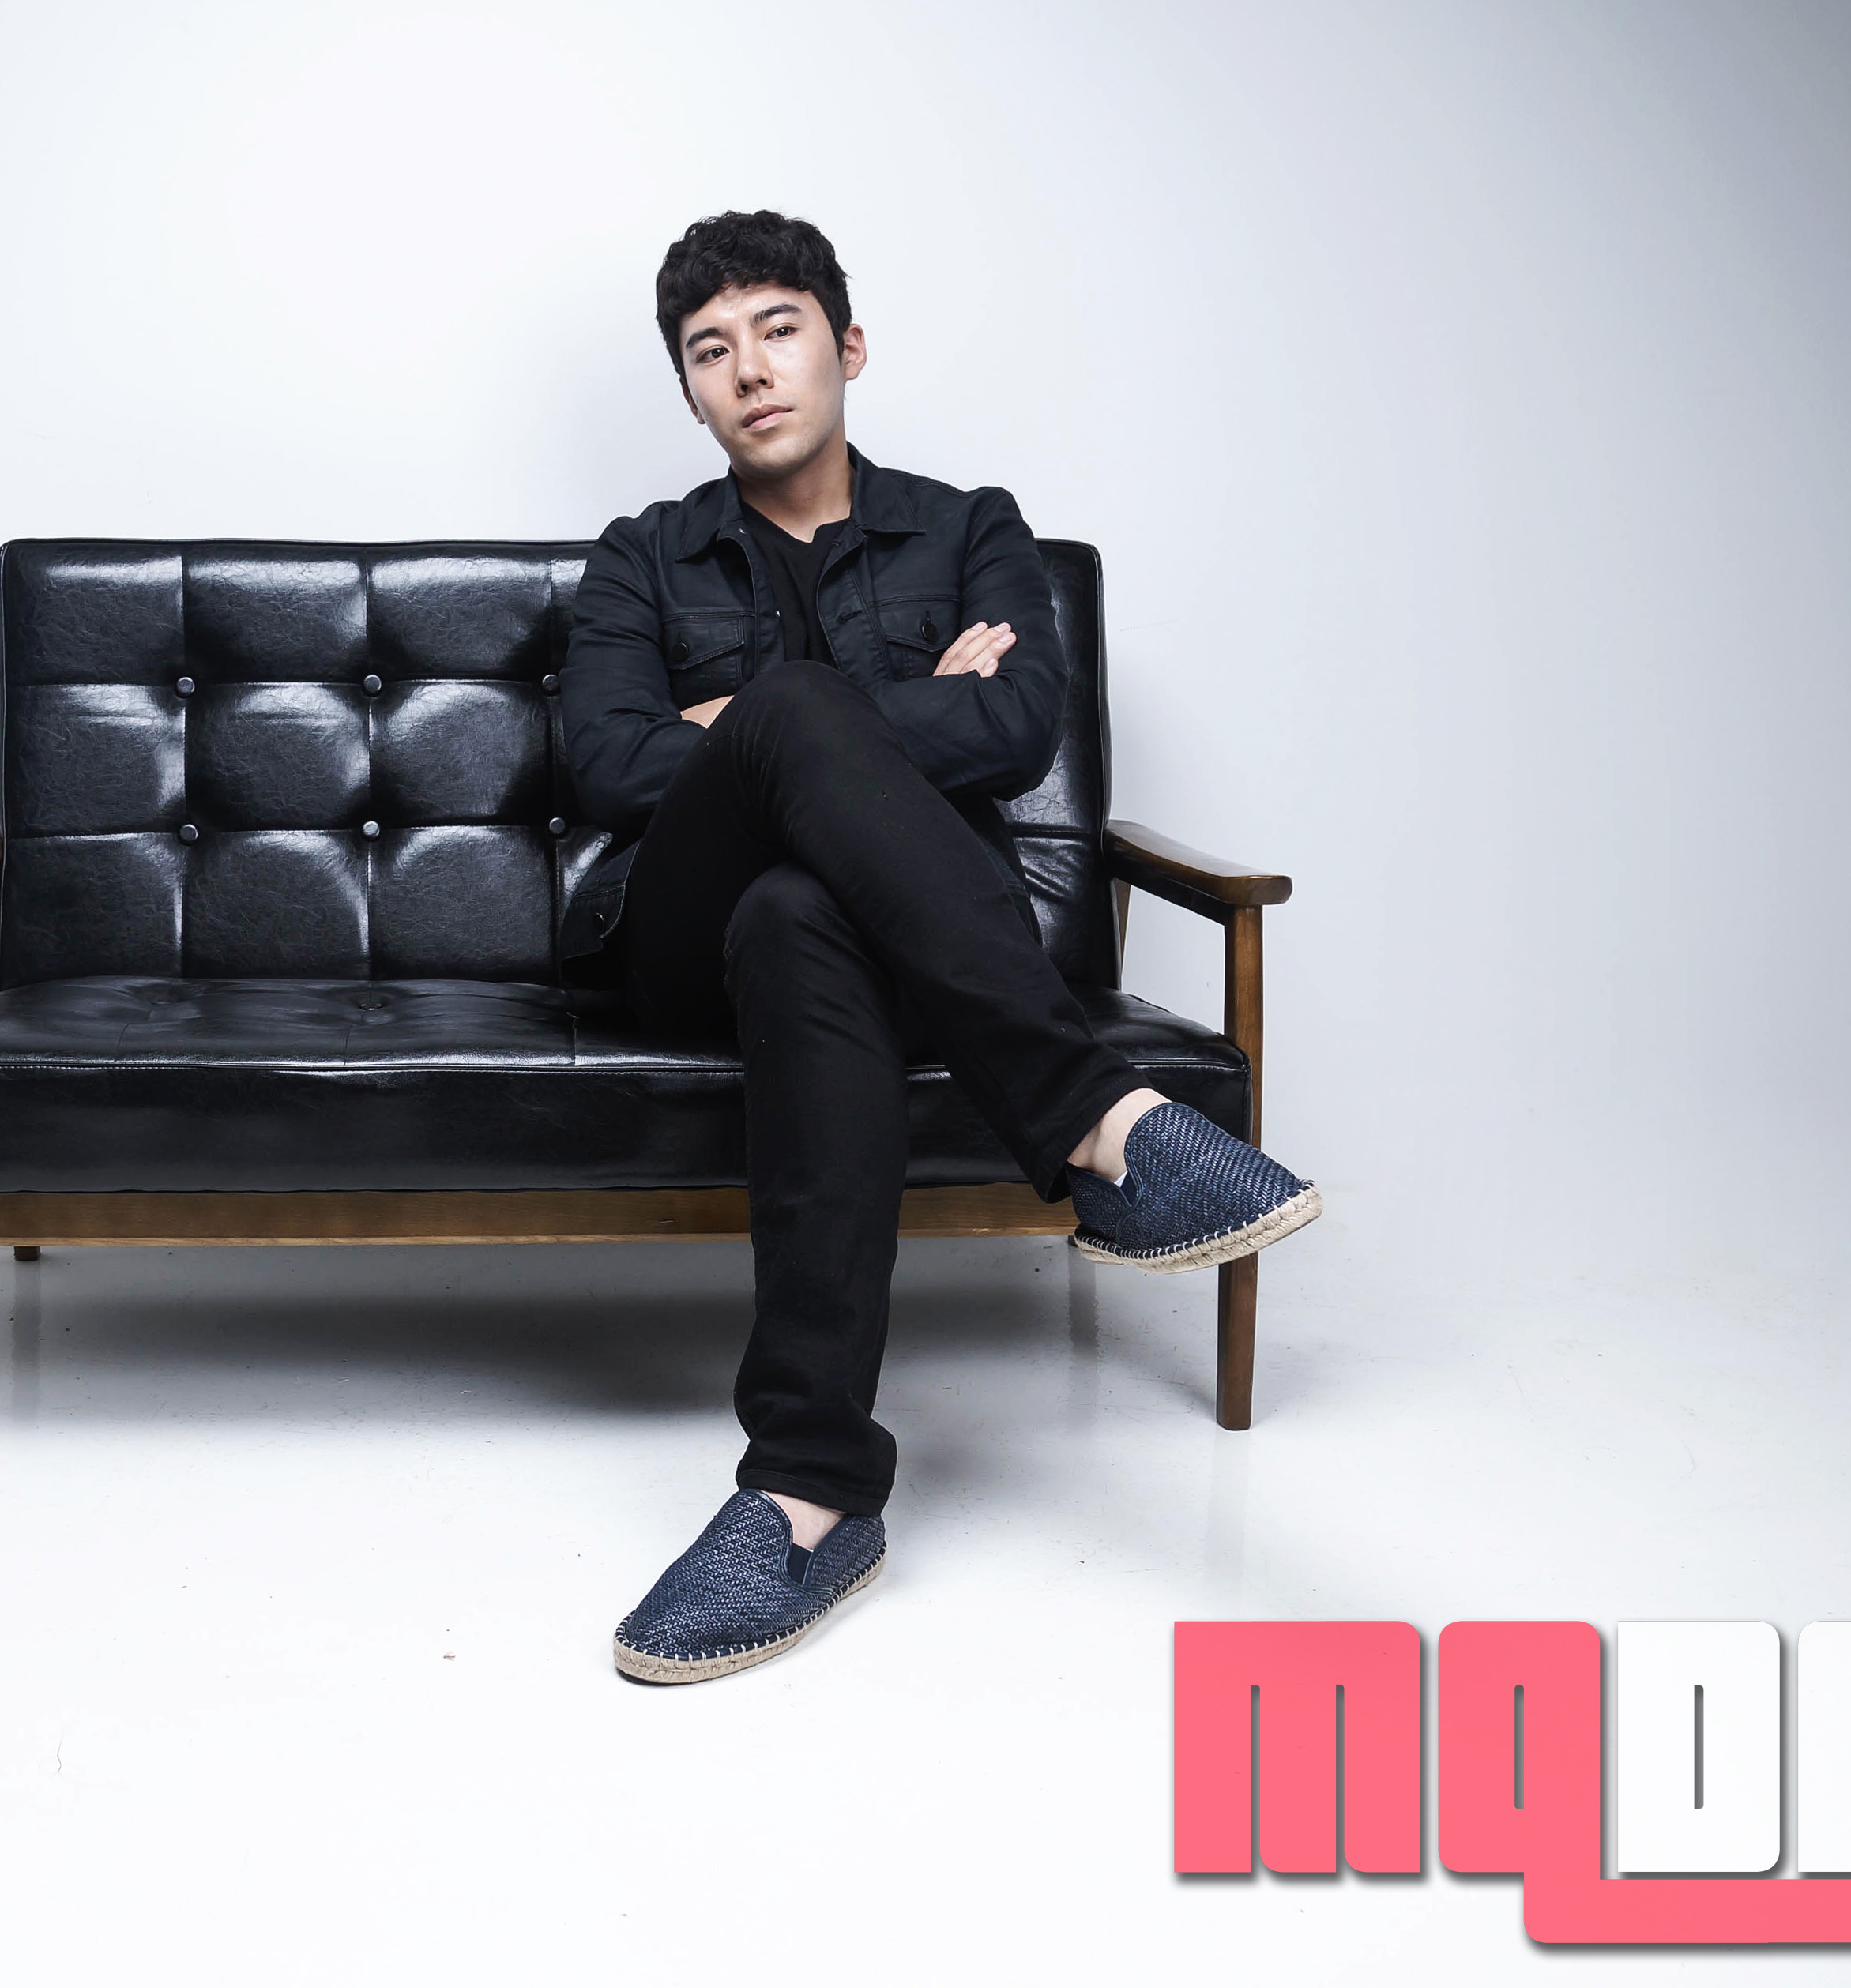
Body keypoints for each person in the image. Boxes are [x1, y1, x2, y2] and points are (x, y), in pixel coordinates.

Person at [558, 211, 1321, 1685]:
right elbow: (607, 763)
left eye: (779, 329)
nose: (749, 370)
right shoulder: (643, 558)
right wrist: (833, 717)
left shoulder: (971, 528)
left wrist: (734, 724)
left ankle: (809, 1493)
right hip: (677, 943)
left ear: (847, 348)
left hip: (872, 951)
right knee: (792, 723)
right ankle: (1097, 1126)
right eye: (710, 352)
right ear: (691, 394)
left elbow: (1019, 723)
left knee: (800, 903)